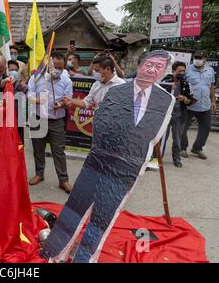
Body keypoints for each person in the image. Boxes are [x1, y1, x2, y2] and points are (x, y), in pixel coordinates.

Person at [41, 50, 175, 263]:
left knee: (103, 216)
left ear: (164, 72)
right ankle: (55, 250)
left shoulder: (165, 100)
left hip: (128, 165)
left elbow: (152, 133)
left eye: (158, 66)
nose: (152, 69)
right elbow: (99, 119)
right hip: (100, 157)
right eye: (149, 64)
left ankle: (84, 257)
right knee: (77, 204)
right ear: (139, 66)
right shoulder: (117, 91)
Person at [27, 53, 74, 194]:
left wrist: (60, 104)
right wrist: (37, 101)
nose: (57, 70)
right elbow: (29, 94)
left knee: (59, 152)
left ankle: (63, 180)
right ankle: (39, 174)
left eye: (61, 68)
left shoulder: (67, 81)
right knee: (38, 149)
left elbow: (68, 100)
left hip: (56, 121)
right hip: (38, 118)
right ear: (49, 65)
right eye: (55, 67)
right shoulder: (36, 77)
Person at [181, 51, 217, 160]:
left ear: (204, 58)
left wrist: (213, 101)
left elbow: (211, 87)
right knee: (183, 127)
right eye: (196, 57)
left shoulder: (210, 70)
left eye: (200, 57)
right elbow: (181, 84)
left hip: (205, 105)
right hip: (189, 105)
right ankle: (182, 148)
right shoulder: (187, 70)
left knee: (206, 127)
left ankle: (197, 148)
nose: (197, 59)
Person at [163, 62, 196, 168]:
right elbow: (157, 95)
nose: (182, 73)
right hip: (166, 115)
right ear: (173, 70)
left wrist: (184, 99)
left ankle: (176, 158)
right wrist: (168, 89)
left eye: (183, 71)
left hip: (179, 115)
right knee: (162, 138)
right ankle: (156, 158)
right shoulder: (165, 81)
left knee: (177, 139)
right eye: (179, 71)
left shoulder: (186, 84)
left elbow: (192, 100)